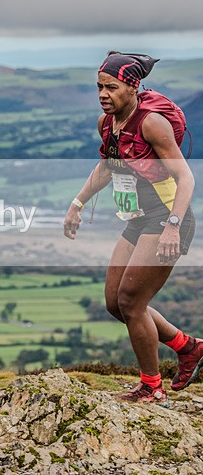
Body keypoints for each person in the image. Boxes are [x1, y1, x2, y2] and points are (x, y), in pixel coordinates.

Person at [64, 51, 202, 405]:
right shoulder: (106, 123)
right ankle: (189, 348)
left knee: (132, 301)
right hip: (139, 218)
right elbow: (107, 168)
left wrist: (173, 225)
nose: (102, 94)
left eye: (111, 87)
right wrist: (77, 203)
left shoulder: (152, 123)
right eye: (99, 86)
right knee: (115, 303)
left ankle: (152, 387)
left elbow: (186, 176)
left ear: (131, 87)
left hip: (169, 217)